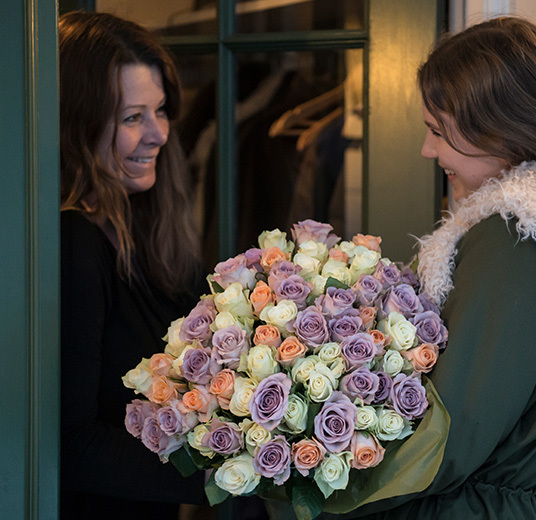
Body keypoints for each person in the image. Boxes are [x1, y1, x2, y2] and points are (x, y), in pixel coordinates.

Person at [265, 15, 536, 520]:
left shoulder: (512, 235)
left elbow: (450, 435)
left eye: (439, 131)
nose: (427, 150)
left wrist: (310, 492)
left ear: (499, 130)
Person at [59, 10, 208, 519]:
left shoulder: (143, 226)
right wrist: (234, 474)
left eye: (160, 111)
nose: (158, 134)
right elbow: (71, 442)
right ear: (77, 125)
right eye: (131, 118)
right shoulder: (74, 242)